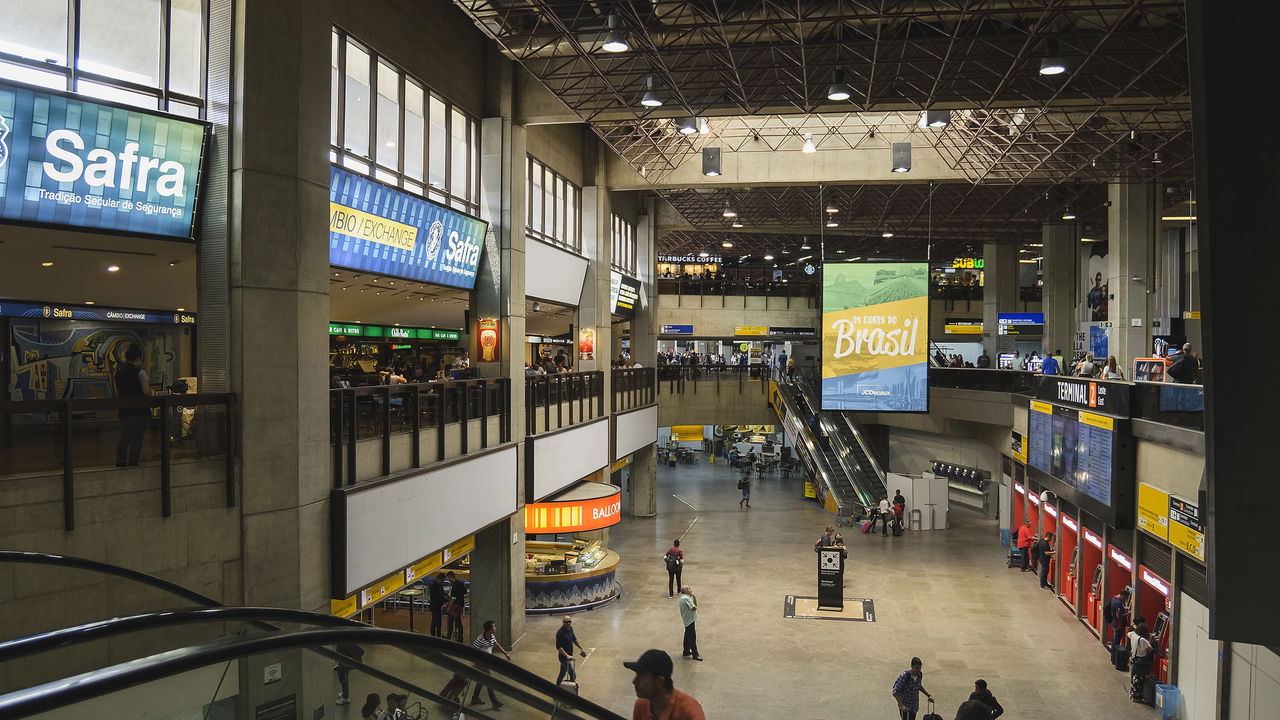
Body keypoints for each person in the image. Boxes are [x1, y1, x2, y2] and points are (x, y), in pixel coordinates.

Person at [623, 649, 706, 720]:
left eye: (641, 676)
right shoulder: (641, 705)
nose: (634, 681)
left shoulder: (690, 713)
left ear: (659, 681)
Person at [114, 343, 150, 467]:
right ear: (138, 358)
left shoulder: (118, 373)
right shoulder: (141, 373)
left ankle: (120, 462)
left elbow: (116, 393)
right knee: (137, 439)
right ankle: (133, 462)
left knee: (125, 437)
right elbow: (145, 392)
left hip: (124, 411)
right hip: (140, 412)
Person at [470, 619, 510, 708]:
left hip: (487, 662)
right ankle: (495, 702)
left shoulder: (492, 636)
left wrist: (505, 653)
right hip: (481, 663)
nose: (495, 628)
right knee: (489, 681)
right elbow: (473, 651)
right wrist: (476, 663)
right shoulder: (480, 639)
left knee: (481, 681)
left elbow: (497, 645)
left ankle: (475, 698)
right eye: (494, 627)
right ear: (489, 629)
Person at [555, 615, 588, 685]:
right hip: (563, 658)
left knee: (562, 673)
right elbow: (558, 647)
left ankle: (556, 686)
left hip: (569, 656)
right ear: (563, 622)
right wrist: (567, 656)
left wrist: (581, 648)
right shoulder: (560, 633)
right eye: (566, 622)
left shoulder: (570, 628)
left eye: (570, 622)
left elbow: (574, 639)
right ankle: (569, 689)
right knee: (573, 675)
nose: (568, 623)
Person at [1128, 621, 1155, 702]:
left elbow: (1128, 634)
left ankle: (1132, 693)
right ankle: (1137, 697)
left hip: (1133, 658)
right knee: (1139, 679)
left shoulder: (1133, 634)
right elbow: (1150, 649)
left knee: (1134, 676)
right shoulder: (1142, 640)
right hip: (1141, 661)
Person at [1106, 587, 1132, 665]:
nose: (1125, 599)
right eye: (1126, 598)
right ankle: (1115, 659)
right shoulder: (1118, 603)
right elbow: (1119, 616)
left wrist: (1124, 609)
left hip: (1114, 623)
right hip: (1118, 625)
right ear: (1123, 595)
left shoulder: (1114, 598)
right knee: (1116, 642)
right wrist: (1129, 612)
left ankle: (1113, 658)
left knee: (1115, 641)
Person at [677, 585, 702, 661]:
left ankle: (686, 651)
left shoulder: (684, 598)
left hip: (688, 620)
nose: (690, 589)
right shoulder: (686, 598)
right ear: (684, 591)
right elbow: (694, 608)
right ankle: (695, 654)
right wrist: (694, 597)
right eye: (688, 589)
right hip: (689, 620)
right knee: (692, 637)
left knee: (687, 635)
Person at [446, 571, 467, 642]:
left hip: (455, 607)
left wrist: (449, 608)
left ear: (450, 577)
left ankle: (448, 637)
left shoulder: (455, 585)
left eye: (448, 578)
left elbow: (453, 598)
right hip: (460, 605)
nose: (448, 580)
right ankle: (460, 638)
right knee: (458, 622)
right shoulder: (460, 583)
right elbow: (465, 592)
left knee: (451, 622)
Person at [427, 572, 447, 637]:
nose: (443, 581)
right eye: (442, 580)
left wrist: (446, 596)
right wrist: (444, 598)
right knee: (435, 621)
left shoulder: (440, 585)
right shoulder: (433, 586)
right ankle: (433, 635)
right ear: (439, 579)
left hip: (439, 605)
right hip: (435, 606)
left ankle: (439, 634)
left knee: (439, 621)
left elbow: (442, 593)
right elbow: (435, 597)